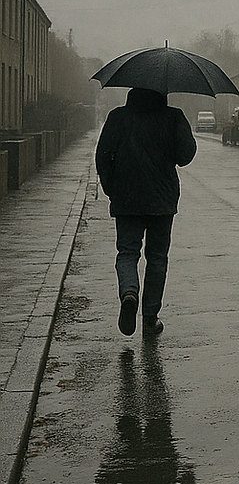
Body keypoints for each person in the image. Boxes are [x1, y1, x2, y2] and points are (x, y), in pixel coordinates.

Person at [95, 87, 197, 337]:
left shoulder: (118, 117)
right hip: (162, 200)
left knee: (127, 253)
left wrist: (112, 189)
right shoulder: (173, 117)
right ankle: (150, 318)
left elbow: (102, 156)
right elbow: (185, 155)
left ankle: (129, 293)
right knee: (157, 257)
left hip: (126, 197)